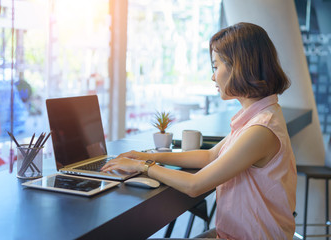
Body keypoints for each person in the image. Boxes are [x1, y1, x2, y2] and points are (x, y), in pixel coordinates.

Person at [101, 22, 296, 239]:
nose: (213, 76)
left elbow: (195, 185)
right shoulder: (258, 117)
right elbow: (211, 155)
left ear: (238, 66)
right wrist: (148, 155)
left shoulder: (261, 129)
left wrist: (143, 166)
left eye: (216, 66)